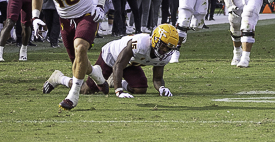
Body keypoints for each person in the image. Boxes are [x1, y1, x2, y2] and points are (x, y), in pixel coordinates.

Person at [31, 0, 110, 111]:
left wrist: (100, 5)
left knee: (81, 48)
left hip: (86, 14)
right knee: (79, 61)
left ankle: (73, 96)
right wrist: (35, 17)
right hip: (65, 19)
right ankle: (96, 74)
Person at [46, 24, 179, 98]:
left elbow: (157, 78)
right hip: (112, 56)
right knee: (87, 89)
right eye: (163, 45)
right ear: (155, 39)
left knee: (140, 88)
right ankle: (59, 78)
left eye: (169, 47)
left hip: (130, 61)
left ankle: (113, 80)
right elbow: (118, 64)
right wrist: (119, 91)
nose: (165, 49)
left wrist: (161, 88)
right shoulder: (139, 43)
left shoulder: (165, 55)